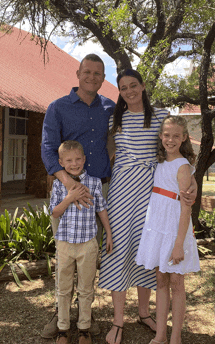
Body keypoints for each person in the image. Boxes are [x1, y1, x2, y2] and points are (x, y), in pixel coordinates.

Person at [98, 69, 197, 344]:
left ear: (142, 86)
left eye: (133, 85)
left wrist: (194, 186)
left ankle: (144, 313)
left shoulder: (160, 116)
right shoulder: (112, 118)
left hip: (152, 194)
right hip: (120, 191)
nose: (129, 91)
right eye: (123, 87)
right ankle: (118, 321)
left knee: (148, 252)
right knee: (117, 248)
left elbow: (182, 155)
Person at [41, 54, 116, 339]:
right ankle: (59, 315)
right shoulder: (57, 107)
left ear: (103, 77)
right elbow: (48, 148)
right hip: (65, 189)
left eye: (98, 73)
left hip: (98, 188)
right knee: (65, 256)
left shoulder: (109, 107)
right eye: (88, 72)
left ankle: (86, 315)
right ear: (78, 73)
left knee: (88, 255)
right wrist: (69, 184)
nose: (93, 77)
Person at [136, 115, 200, 344]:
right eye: (166, 135)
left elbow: (185, 210)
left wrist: (178, 244)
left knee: (176, 283)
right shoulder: (160, 161)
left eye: (176, 136)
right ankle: (161, 334)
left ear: (184, 138)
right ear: (161, 136)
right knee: (160, 282)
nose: (170, 139)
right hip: (157, 227)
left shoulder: (182, 166)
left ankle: (175, 337)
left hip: (175, 232)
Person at [50, 140, 113, 344]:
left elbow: (101, 210)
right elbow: (55, 212)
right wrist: (70, 197)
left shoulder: (94, 182)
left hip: (88, 244)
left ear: (84, 159)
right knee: (64, 288)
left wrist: (109, 235)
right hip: (65, 244)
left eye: (78, 159)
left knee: (86, 288)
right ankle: (62, 329)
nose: (74, 163)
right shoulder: (59, 184)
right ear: (61, 162)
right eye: (69, 160)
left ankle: (84, 328)